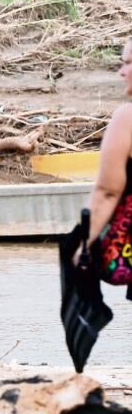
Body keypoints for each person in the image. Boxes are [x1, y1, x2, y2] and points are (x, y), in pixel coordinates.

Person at [84, 38, 132, 296]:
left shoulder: (127, 119)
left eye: (127, 63)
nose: (121, 72)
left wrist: (83, 245)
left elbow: (107, 192)